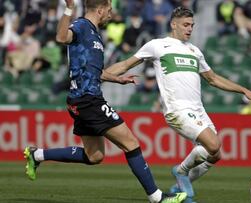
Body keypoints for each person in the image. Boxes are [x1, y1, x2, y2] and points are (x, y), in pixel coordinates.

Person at [23, 1, 187, 203]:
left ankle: (36, 154)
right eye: (109, 9)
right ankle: (157, 197)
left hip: (81, 100)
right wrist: (68, 10)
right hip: (88, 100)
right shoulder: (82, 25)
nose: (112, 13)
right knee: (131, 143)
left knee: (95, 156)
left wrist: (117, 78)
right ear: (100, 10)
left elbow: (93, 71)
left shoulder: (94, 33)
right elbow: (61, 37)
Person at [105, 6, 251, 202]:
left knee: (215, 155)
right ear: (174, 24)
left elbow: (213, 79)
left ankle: (178, 186)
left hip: (199, 110)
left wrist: (243, 90)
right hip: (177, 109)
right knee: (213, 144)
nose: (190, 29)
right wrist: (100, 75)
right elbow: (125, 64)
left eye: (192, 25)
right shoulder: (157, 45)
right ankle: (180, 172)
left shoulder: (194, 51)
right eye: (186, 25)